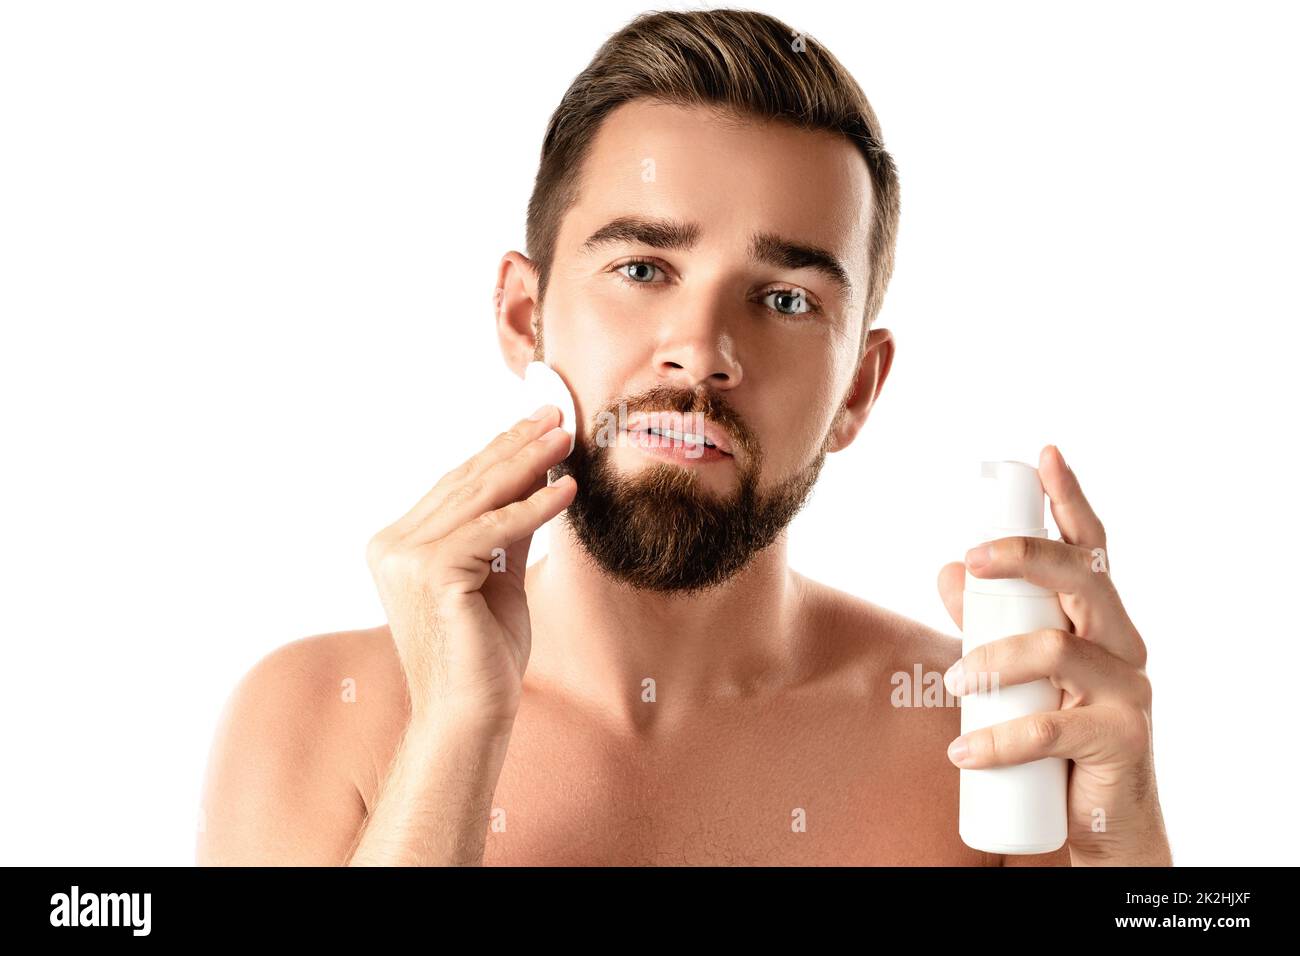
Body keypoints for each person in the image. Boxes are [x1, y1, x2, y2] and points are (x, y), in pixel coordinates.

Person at [197, 8, 1169, 866]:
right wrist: (452, 730)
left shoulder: (986, 748)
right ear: (524, 315)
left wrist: (1121, 852)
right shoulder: (318, 718)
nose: (701, 351)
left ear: (857, 389)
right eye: (643, 268)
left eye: (784, 298)